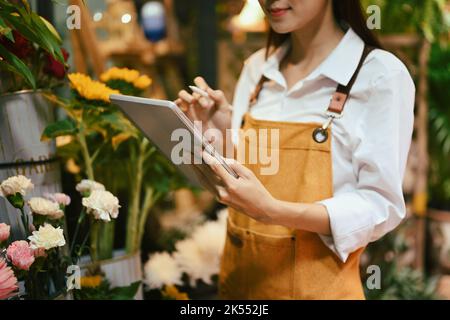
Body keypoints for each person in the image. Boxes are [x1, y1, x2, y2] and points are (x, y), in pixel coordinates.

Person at [175, 0, 415, 300]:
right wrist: (220, 135)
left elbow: (380, 205)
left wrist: (274, 212)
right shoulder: (256, 69)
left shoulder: (379, 75)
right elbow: (243, 184)